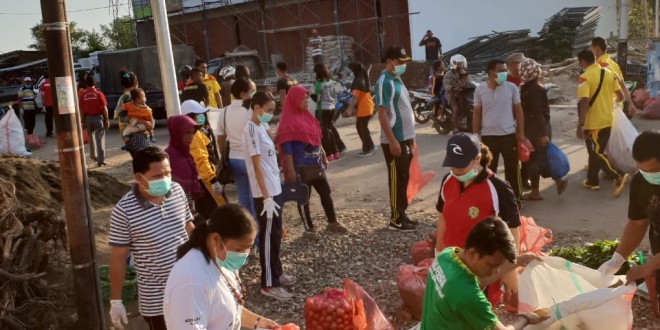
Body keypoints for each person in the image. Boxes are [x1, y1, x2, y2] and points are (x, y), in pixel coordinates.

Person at [108, 147, 195, 330]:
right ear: (139, 177)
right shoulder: (123, 212)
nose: (165, 180)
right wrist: (116, 301)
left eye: (168, 173)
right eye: (157, 176)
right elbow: (118, 258)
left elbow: (188, 228)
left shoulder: (177, 191)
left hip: (190, 287)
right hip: (158, 301)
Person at [435, 133, 522, 306]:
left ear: (477, 159)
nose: (456, 170)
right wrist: (438, 253)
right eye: (452, 164)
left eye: (462, 165)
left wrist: (511, 269)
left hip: (483, 266)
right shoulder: (447, 181)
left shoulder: (497, 187)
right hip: (453, 260)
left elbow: (513, 230)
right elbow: (442, 218)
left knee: (477, 311)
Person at [163, 204, 280, 329]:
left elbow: (226, 310)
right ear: (216, 239)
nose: (244, 255)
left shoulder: (222, 259)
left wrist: (259, 322)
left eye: (249, 248)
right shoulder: (191, 280)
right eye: (240, 249)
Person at [421, 217, 547, 330]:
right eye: (491, 265)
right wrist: (525, 319)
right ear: (472, 254)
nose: (496, 271)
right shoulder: (469, 296)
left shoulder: (446, 256)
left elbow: (478, 281)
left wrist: (521, 260)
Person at [242, 92, 296, 301]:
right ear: (256, 108)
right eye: (268, 110)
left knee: (275, 235)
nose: (271, 115)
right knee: (266, 238)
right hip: (265, 193)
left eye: (273, 110)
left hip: (274, 189)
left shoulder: (262, 127)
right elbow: (256, 166)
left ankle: (277, 273)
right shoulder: (250, 130)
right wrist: (265, 197)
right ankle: (268, 283)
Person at [598, 130, 660, 302]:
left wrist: (648, 267)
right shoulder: (640, 181)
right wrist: (616, 260)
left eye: (653, 170)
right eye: (643, 169)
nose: (649, 174)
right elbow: (637, 223)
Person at [278, 85, 349, 235]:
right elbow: (287, 148)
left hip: (315, 164)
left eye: (306, 99)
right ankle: (309, 228)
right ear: (295, 100)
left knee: (325, 192)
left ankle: (332, 221)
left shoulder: (308, 117)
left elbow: (316, 137)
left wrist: (323, 154)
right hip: (299, 167)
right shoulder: (287, 122)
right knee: (304, 197)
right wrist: (289, 168)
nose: (306, 102)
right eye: (303, 99)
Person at [375, 46, 417, 232]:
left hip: (405, 137)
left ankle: (402, 213)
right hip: (394, 138)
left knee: (404, 178)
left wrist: (411, 138)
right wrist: (392, 141)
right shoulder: (384, 81)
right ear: (389, 61)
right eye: (399, 62)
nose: (402, 65)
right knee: (396, 179)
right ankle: (395, 219)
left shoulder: (396, 79)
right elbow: (382, 114)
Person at [473, 59, 526, 207]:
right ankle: (490, 199)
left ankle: (515, 200)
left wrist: (520, 133)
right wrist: (475, 135)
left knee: (512, 170)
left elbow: (518, 111)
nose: (504, 73)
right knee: (488, 171)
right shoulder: (480, 90)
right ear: (491, 72)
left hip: (509, 136)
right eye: (500, 70)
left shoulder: (511, 88)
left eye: (505, 70)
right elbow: (477, 114)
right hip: (489, 138)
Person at [576, 49, 629, 196]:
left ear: (582, 62)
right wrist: (607, 103)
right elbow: (620, 96)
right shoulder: (609, 73)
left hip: (593, 123)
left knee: (596, 152)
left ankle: (617, 175)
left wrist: (581, 123)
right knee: (595, 151)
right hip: (608, 119)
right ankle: (592, 181)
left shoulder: (584, 77)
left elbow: (584, 101)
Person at [519, 58, 568, 200]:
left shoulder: (532, 88)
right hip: (538, 129)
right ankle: (559, 181)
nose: (540, 71)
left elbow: (537, 112)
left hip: (536, 130)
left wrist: (542, 134)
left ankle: (535, 191)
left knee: (533, 161)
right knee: (541, 158)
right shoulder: (533, 87)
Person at [217, 78, 257, 219]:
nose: (254, 95)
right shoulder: (252, 109)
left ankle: (246, 232)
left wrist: (223, 156)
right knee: (256, 199)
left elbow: (220, 138)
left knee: (243, 198)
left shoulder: (225, 111)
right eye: (252, 92)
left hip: (234, 159)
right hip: (252, 159)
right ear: (243, 94)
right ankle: (257, 236)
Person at [182, 100, 226, 220]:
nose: (202, 117)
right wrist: (213, 180)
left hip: (202, 180)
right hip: (205, 181)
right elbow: (201, 160)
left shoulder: (196, 132)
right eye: (198, 115)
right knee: (217, 214)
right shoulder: (194, 136)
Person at [591, 36, 637, 117]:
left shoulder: (599, 66)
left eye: (592, 48)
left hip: (604, 108)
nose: (591, 51)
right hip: (617, 106)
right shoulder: (614, 64)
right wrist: (631, 104)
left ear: (597, 48)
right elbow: (622, 85)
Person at [165, 115, 203, 212]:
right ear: (176, 133)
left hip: (188, 203)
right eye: (187, 133)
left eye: (193, 132)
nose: (191, 137)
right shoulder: (169, 156)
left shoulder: (186, 152)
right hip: (176, 205)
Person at [313, 63, 346, 161]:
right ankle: (336, 152)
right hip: (332, 107)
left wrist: (311, 94)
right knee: (330, 129)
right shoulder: (331, 81)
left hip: (322, 109)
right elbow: (337, 92)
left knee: (324, 131)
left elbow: (317, 99)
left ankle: (329, 154)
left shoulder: (319, 84)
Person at [79, 75, 110, 167]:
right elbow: (104, 108)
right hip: (98, 118)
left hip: (87, 118)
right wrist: (107, 120)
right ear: (95, 83)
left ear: (86, 84)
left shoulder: (83, 95)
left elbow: (81, 110)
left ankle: (93, 155)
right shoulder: (99, 94)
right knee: (99, 139)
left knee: (91, 138)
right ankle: (100, 161)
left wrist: (82, 121)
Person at [348, 61, 376, 156]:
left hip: (363, 109)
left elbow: (354, 98)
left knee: (361, 128)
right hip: (368, 106)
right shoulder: (363, 77)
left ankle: (367, 149)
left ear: (354, 70)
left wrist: (350, 109)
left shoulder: (357, 82)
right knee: (363, 127)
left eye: (351, 70)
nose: (350, 72)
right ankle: (370, 145)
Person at [444, 54, 467, 135]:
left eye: (461, 63)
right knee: (456, 108)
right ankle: (455, 128)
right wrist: (453, 88)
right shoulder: (448, 74)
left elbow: (467, 81)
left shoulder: (463, 72)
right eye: (459, 63)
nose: (460, 65)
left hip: (461, 94)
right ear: (454, 63)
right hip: (451, 95)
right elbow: (446, 86)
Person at [114, 70, 141, 138]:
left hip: (124, 131)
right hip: (132, 131)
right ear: (136, 83)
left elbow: (116, 115)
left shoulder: (122, 97)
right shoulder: (131, 97)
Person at [38, 72, 54, 137]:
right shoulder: (53, 83)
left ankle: (49, 132)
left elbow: (42, 95)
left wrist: (43, 105)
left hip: (47, 105)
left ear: (44, 77)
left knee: (48, 119)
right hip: (55, 104)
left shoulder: (43, 85)